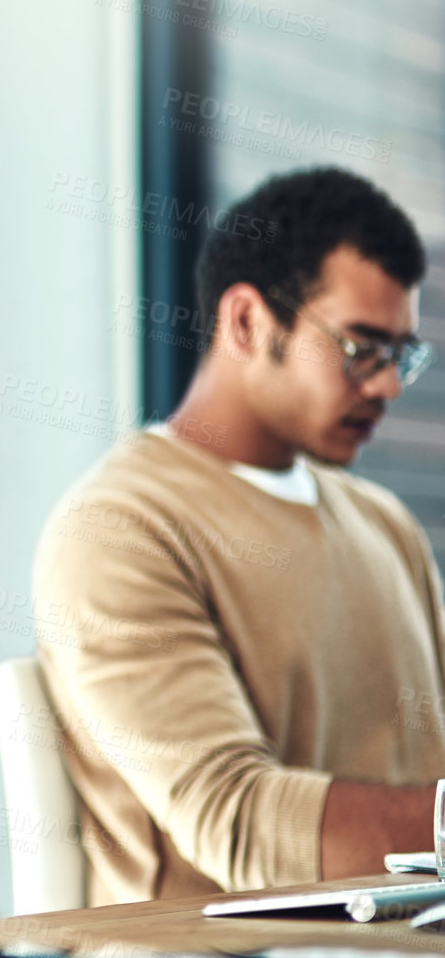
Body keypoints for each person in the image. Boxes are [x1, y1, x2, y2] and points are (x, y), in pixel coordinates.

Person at [32, 166, 445, 904]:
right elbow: (237, 822)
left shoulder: (385, 524)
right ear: (249, 322)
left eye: (402, 356)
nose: (386, 385)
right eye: (360, 348)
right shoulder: (119, 530)